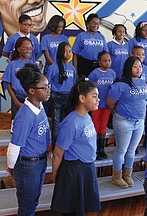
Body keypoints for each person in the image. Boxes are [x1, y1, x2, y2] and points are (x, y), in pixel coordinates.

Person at [6, 63, 51, 216]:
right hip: (28, 165)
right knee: (27, 205)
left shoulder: (40, 106)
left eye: (48, 86)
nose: (48, 90)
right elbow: (14, 145)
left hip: (40, 161)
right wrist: (12, 167)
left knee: (33, 200)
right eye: (44, 87)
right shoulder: (25, 116)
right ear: (32, 91)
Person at [51, 79, 101, 215]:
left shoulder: (87, 117)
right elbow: (57, 152)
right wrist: (55, 173)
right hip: (74, 171)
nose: (98, 100)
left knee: (82, 208)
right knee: (73, 210)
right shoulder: (70, 123)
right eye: (94, 96)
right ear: (82, 98)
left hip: (86, 168)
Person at [107, 56, 147, 188]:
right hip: (124, 121)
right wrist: (118, 113)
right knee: (121, 150)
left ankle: (127, 174)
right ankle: (116, 176)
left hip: (139, 121)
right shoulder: (120, 85)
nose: (138, 69)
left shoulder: (143, 82)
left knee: (132, 150)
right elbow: (110, 103)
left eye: (140, 66)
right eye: (135, 66)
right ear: (128, 67)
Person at [2, 37, 36, 130]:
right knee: (17, 124)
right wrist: (16, 102)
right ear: (18, 49)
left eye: (30, 48)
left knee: (30, 123)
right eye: (25, 48)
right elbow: (8, 85)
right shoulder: (12, 65)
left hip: (30, 97)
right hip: (17, 96)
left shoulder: (33, 65)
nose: (28, 51)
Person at [46, 42, 76, 149]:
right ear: (60, 52)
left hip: (68, 98)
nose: (68, 54)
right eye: (66, 51)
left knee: (66, 124)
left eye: (70, 51)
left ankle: (64, 147)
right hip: (56, 98)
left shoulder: (72, 68)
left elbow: (73, 84)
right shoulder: (53, 67)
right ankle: (55, 149)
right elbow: (48, 83)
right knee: (56, 124)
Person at [88, 51, 116, 160]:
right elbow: (90, 89)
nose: (107, 63)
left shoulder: (113, 73)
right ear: (99, 62)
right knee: (95, 125)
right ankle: (93, 149)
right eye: (104, 61)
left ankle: (101, 149)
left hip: (107, 105)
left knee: (103, 126)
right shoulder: (94, 73)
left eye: (109, 60)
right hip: (96, 105)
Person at [73, 13, 108, 78]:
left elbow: (105, 54)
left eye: (97, 23)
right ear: (88, 23)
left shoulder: (101, 37)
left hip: (97, 65)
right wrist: (76, 72)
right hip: (84, 65)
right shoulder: (81, 36)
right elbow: (75, 55)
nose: (95, 25)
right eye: (93, 23)